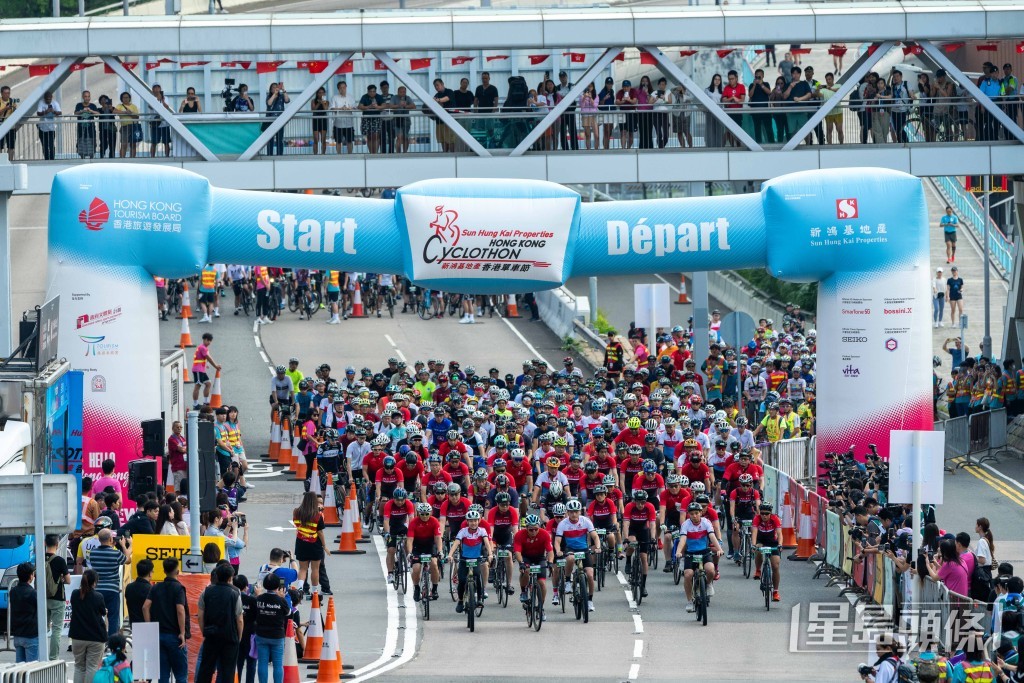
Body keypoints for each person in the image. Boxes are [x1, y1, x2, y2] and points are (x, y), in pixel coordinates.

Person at [144, 558, 190, 683]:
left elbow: (145, 607)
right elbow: (180, 610)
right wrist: (182, 632)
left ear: (164, 571)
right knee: (181, 675)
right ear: (178, 571)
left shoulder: (156, 587)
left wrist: (150, 628)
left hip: (159, 636)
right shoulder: (179, 588)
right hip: (175, 637)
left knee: (163, 676)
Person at [196, 564, 243, 683]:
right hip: (229, 637)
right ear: (230, 578)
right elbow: (239, 619)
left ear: (216, 576)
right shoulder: (235, 593)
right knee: (228, 671)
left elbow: (200, 616)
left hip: (211, 635)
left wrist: (204, 631)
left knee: (206, 668)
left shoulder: (206, 592)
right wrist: (238, 637)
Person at [88, 528, 130, 636]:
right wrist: (125, 546)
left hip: (97, 589)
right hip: (112, 589)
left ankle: (97, 639)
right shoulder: (115, 553)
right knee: (113, 618)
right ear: (111, 539)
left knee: (96, 616)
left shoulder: (93, 553)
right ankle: (112, 643)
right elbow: (128, 560)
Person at [70, 570, 108, 683]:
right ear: (94, 583)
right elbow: (102, 612)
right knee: (92, 667)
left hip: (77, 636)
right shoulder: (98, 596)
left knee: (79, 667)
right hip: (95, 636)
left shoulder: (75, 594)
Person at [255, 573, 290, 683]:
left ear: (265, 585)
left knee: (262, 663)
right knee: (278, 664)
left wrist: (258, 595)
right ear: (277, 586)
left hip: (261, 634)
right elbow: (288, 613)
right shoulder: (281, 600)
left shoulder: (259, 599)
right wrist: (283, 598)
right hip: (277, 635)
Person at [292, 491, 326, 595]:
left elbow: (296, 525)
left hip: (301, 542)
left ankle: (300, 588)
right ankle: (315, 591)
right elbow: (320, 531)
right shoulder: (318, 515)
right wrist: (324, 545)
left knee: (303, 568)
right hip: (314, 543)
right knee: (315, 569)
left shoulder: (296, 512)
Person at [44, 534, 71, 660]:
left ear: (44, 543)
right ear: (57, 544)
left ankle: (41, 656)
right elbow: (68, 580)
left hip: (43, 598)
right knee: (56, 629)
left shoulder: (40, 559)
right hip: (57, 598)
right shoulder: (60, 560)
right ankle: (53, 657)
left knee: (42, 628)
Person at [11, 562, 39, 662]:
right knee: (32, 669)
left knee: (20, 671)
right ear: (31, 576)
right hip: (31, 634)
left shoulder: (13, 591)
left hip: (17, 634)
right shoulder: (33, 593)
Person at [192, 332, 222, 408]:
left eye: (210, 341)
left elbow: (206, 358)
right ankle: (195, 404)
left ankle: (206, 402)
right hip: (198, 369)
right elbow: (208, 357)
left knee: (208, 383)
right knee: (197, 386)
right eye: (208, 340)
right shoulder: (202, 348)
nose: (209, 342)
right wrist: (216, 366)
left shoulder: (204, 348)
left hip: (201, 369)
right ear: (204, 340)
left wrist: (207, 364)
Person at [124, 558, 153, 626]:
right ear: (150, 573)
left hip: (133, 624)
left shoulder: (129, 587)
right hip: (147, 625)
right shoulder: (151, 589)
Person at [330, 81, 355, 154]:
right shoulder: (334, 97)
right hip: (338, 123)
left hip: (349, 123)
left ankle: (350, 155)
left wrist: (349, 108)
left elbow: (355, 107)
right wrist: (340, 108)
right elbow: (332, 108)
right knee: (338, 141)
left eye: (344, 87)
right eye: (341, 88)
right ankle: (339, 156)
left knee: (349, 141)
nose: (342, 89)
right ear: (338, 89)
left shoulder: (350, 97)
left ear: (346, 87)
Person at [264, 82, 289, 156]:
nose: (275, 88)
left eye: (276, 87)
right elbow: (269, 103)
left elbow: (287, 100)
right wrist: (274, 94)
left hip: (280, 120)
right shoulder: (269, 96)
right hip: (270, 120)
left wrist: (283, 90)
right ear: (271, 90)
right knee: (270, 139)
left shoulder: (281, 96)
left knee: (279, 139)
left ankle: (279, 155)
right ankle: (269, 155)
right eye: (273, 87)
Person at [35, 92, 61, 160]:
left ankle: (52, 159)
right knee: (45, 146)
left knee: (51, 145)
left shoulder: (55, 103)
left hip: (51, 128)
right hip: (42, 128)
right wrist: (45, 112)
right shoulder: (41, 102)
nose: (48, 101)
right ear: (44, 99)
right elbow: (38, 113)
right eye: (47, 99)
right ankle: (46, 159)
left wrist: (53, 111)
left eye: (49, 99)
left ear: (52, 98)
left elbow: (60, 112)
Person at [74, 91, 100, 159]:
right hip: (81, 130)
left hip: (91, 130)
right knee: (81, 146)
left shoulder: (93, 106)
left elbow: (98, 114)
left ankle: (91, 159)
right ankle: (82, 159)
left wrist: (91, 111)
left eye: (88, 96)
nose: (87, 98)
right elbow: (75, 113)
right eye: (85, 96)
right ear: (83, 97)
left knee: (91, 145)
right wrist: (82, 111)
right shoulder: (79, 105)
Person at [115, 91, 139, 158]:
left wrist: (130, 114)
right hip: (124, 127)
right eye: (124, 97)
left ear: (129, 98)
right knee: (124, 144)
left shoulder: (133, 106)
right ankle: (122, 159)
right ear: (121, 99)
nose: (125, 99)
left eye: (127, 97)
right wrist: (125, 112)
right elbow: (115, 111)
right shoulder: (119, 106)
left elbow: (137, 116)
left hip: (133, 126)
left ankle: (132, 159)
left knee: (133, 144)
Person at [0, 85, 18, 159]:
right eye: (6, 93)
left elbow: (16, 113)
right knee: (0, 146)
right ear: (1, 93)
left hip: (10, 126)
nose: (7, 95)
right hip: (1, 125)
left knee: (11, 146)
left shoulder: (12, 101)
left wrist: (13, 109)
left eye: (8, 93)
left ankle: (10, 161)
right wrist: (5, 108)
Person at [310, 86, 329, 155]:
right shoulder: (313, 101)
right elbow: (313, 109)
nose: (321, 94)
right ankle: (315, 154)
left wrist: (322, 102)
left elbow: (326, 109)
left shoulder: (326, 101)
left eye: (323, 93)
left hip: (323, 120)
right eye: (319, 93)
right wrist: (318, 103)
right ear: (317, 94)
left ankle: (323, 154)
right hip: (316, 120)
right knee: (316, 139)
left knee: (323, 139)